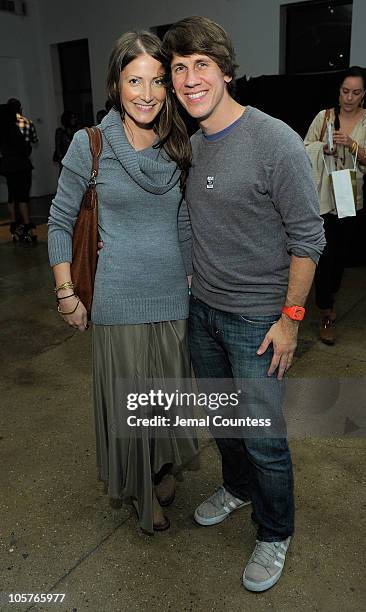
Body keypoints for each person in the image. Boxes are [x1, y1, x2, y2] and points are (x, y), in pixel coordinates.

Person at [162, 16, 325, 592]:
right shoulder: (193, 143)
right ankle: (235, 486)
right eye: (178, 68)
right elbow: (189, 216)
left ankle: (275, 530)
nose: (188, 78)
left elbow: (308, 238)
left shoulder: (273, 139)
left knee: (263, 438)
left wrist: (291, 320)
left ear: (226, 71)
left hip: (259, 320)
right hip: (202, 312)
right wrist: (187, 280)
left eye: (200, 64)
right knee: (224, 424)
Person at [48, 31, 197, 534]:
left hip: (173, 297)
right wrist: (66, 292)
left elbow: (181, 223)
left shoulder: (178, 142)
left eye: (158, 80)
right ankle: (139, 494)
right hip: (118, 300)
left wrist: (192, 277)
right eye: (135, 80)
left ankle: (158, 472)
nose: (148, 93)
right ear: (116, 83)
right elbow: (60, 219)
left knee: (166, 400)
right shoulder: (90, 144)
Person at [305, 66, 366, 345]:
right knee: (325, 255)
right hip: (323, 196)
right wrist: (321, 146)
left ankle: (330, 296)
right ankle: (325, 311)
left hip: (350, 195)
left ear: (364, 94)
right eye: (345, 91)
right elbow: (304, 149)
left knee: (341, 256)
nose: (349, 98)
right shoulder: (324, 117)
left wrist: (352, 145)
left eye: (355, 92)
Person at [0, 104, 35, 243]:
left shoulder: (1, 130)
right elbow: (26, 149)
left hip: (8, 166)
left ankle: (14, 224)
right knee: (23, 196)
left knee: (12, 195)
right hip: (21, 165)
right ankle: (26, 225)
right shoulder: (17, 129)